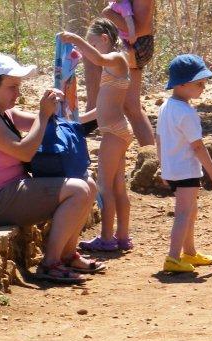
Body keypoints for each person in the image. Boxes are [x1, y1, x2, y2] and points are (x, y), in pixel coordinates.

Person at [0, 54, 100, 284]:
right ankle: (50, 263)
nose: (17, 93)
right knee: (77, 190)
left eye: (18, 87)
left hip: (12, 191)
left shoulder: (5, 113)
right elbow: (24, 151)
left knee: (89, 184)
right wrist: (44, 114)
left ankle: (67, 254)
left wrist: (99, 110)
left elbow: (51, 123)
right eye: (12, 87)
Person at [61, 20, 134, 253]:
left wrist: (75, 40)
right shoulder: (114, 65)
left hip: (114, 132)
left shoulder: (116, 58)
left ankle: (106, 238)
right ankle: (122, 236)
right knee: (118, 186)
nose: (90, 47)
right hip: (117, 129)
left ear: (104, 38)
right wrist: (75, 120)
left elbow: (98, 58)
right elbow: (102, 107)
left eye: (93, 42)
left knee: (104, 186)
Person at [156, 54, 212, 274]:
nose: (203, 88)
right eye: (199, 84)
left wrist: (162, 166)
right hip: (186, 170)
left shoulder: (166, 106)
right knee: (184, 213)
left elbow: (158, 139)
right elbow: (198, 146)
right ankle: (173, 257)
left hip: (174, 168)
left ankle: (190, 253)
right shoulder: (186, 112)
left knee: (190, 211)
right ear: (182, 84)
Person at [87, 0, 155, 146]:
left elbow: (140, 29)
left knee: (94, 55)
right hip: (133, 44)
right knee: (131, 105)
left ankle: (91, 117)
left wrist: (108, 13)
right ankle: (150, 155)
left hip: (137, 45)